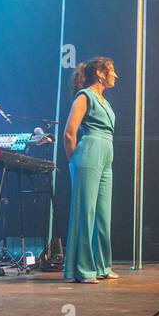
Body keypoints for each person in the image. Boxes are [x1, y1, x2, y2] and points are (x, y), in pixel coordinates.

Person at [63, 56, 118, 283]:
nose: (115, 75)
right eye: (112, 71)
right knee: (86, 212)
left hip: (106, 155)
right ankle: (83, 269)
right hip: (89, 153)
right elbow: (69, 132)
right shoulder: (85, 96)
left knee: (103, 215)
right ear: (101, 73)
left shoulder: (105, 101)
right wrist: (73, 161)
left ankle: (102, 266)